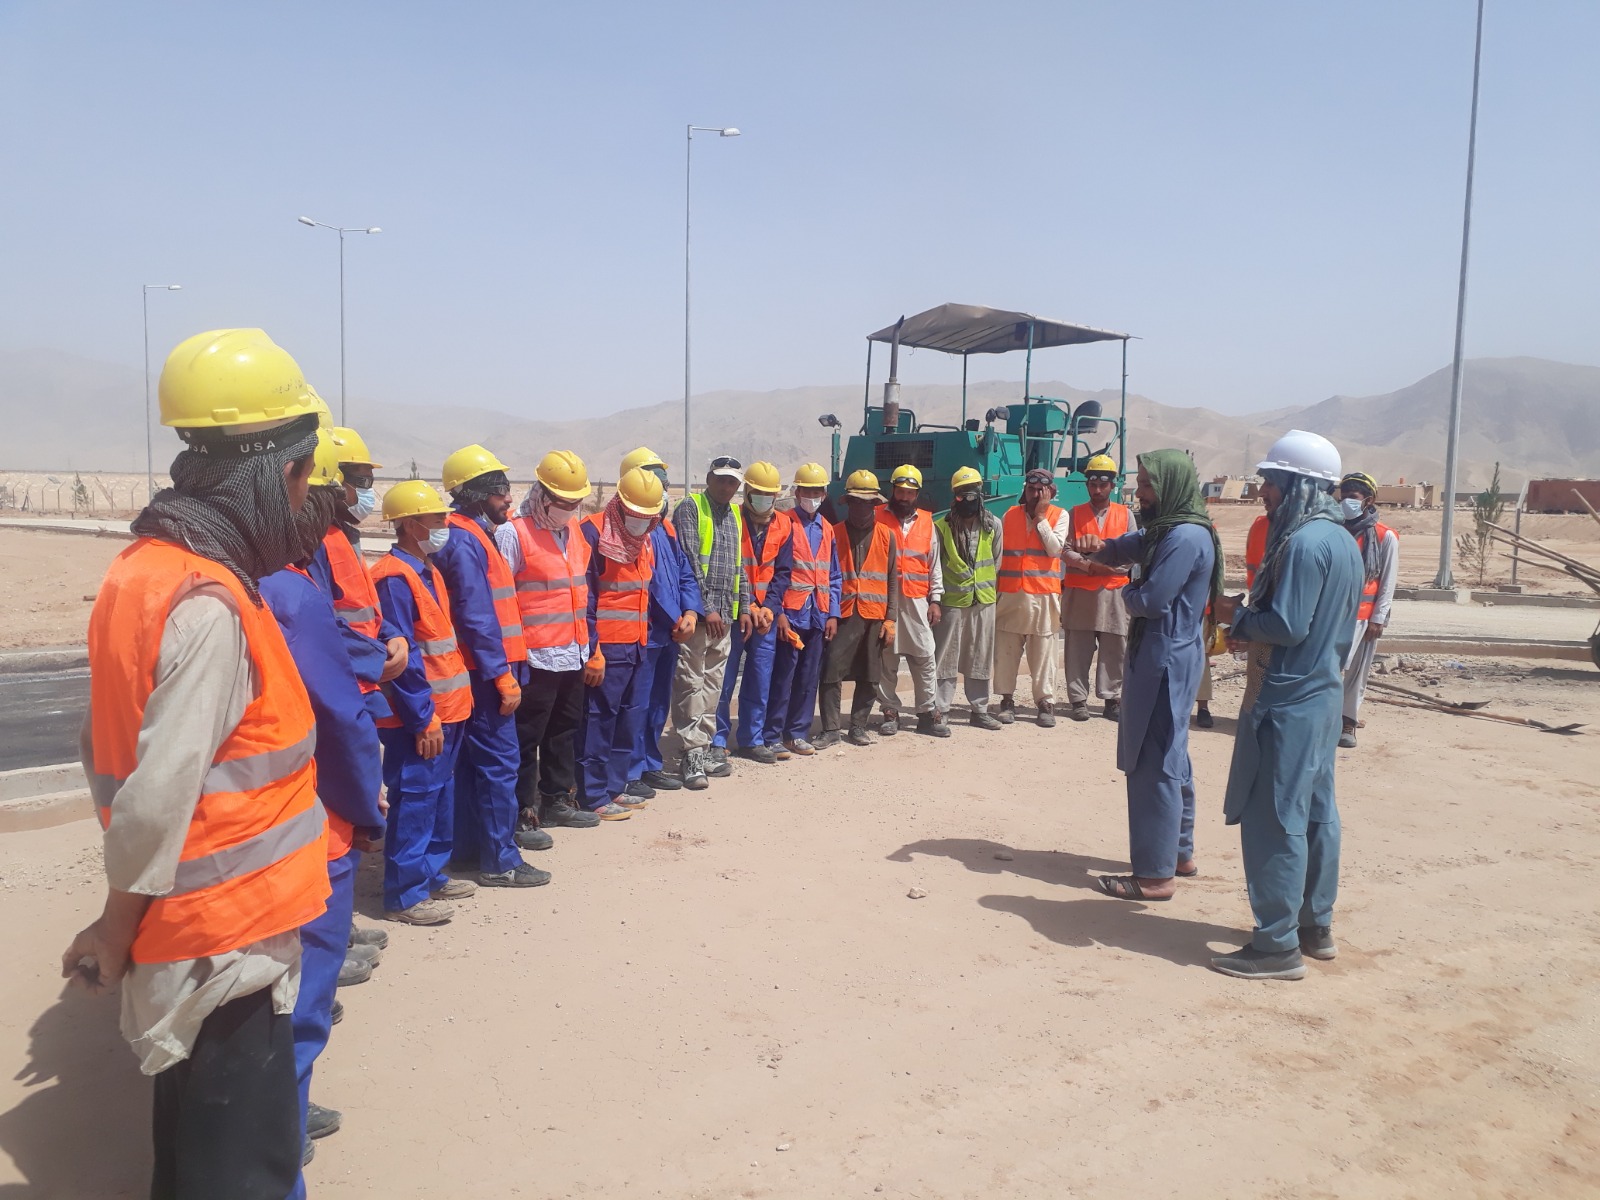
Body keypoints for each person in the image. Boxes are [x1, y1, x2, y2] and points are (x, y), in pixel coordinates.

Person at [65, 328, 330, 1198]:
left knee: (191, 1159)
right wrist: (114, 925)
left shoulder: (142, 571)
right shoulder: (210, 608)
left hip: (197, 933)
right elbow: (155, 797)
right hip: (225, 943)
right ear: (265, 474)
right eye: (300, 477)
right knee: (236, 1174)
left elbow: (106, 744)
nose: (304, 498)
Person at [257, 444, 386, 1179]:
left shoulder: (187, 573)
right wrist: (365, 807)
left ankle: (277, 1115)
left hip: (244, 834)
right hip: (308, 820)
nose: (350, 501)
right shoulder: (289, 587)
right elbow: (340, 719)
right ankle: (282, 1125)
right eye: (341, 487)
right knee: (298, 991)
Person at [1211, 430, 1362, 980]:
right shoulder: (1342, 539)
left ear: (1298, 484)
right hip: (1322, 697)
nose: (1264, 494)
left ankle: (1276, 945)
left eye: (1271, 483)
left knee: (1275, 818)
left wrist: (1236, 616)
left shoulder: (1302, 545)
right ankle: (1313, 926)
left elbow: (1287, 625)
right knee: (1318, 812)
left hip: (1289, 701)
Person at [1077, 451, 1220, 904]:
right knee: (1172, 754)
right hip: (1169, 654)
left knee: (1153, 759)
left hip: (1163, 658)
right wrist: (1104, 549)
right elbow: (1136, 542)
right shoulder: (1172, 530)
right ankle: (1178, 853)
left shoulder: (1183, 538)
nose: (1139, 493)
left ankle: (1156, 876)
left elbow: (1153, 599)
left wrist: (1125, 586)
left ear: (1170, 486)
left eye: (1146, 485)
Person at [435, 445, 552, 885]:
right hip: (486, 675)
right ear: (478, 494)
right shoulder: (465, 542)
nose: (508, 498)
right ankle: (501, 861)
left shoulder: (469, 535)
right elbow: (477, 616)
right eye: (501, 490)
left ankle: (469, 851)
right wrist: (501, 675)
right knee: (498, 764)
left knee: (472, 766)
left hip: (483, 670)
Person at [371, 480, 476, 925]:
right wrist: (423, 718)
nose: (444, 525)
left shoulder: (426, 570)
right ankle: (404, 892)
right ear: (412, 524)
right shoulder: (394, 578)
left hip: (448, 710)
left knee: (439, 794)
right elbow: (405, 659)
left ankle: (431, 874)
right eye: (437, 519)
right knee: (415, 797)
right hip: (421, 715)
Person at [495, 452, 602, 833]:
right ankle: (522, 812)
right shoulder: (513, 533)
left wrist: (593, 648)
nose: (569, 510)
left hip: (572, 652)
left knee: (564, 730)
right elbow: (501, 601)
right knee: (527, 737)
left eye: (575, 503)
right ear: (542, 494)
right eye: (562, 502)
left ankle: (558, 799)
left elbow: (582, 593)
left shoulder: (573, 532)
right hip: (534, 658)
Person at [577, 468, 666, 819]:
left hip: (637, 646)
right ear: (619, 504)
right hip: (606, 650)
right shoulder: (594, 533)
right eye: (636, 514)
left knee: (628, 721)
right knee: (597, 722)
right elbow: (585, 600)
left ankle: (615, 787)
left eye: (649, 516)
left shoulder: (644, 540)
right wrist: (593, 651)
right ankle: (593, 794)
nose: (641, 522)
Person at [616, 447, 702, 801]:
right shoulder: (624, 532)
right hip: (641, 634)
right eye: (656, 482)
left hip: (669, 634)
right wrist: (675, 618)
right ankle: (630, 770)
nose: (663, 491)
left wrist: (691, 612)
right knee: (633, 706)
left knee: (656, 705)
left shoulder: (664, 529)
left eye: (665, 484)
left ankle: (650, 763)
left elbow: (684, 574)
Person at [671, 455, 753, 788]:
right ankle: (690, 753)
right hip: (700, 617)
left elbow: (739, 566)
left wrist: (744, 605)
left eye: (732, 481)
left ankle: (703, 747)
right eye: (720, 479)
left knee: (713, 686)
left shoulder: (735, 514)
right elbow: (689, 561)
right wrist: (707, 608)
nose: (726, 486)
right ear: (708, 478)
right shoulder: (690, 508)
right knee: (690, 683)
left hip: (726, 617)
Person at [816, 470, 899, 748]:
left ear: (876, 504)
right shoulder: (833, 533)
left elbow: (891, 580)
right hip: (842, 614)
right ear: (847, 503)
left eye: (868, 503)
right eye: (857, 502)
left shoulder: (888, 536)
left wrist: (891, 619)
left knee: (870, 674)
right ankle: (830, 729)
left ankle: (858, 727)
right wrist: (828, 613)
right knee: (831, 672)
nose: (862, 507)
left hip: (874, 616)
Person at [714, 461, 791, 762]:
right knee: (725, 677)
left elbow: (783, 572)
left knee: (760, 678)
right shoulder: (731, 519)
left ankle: (751, 738)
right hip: (736, 612)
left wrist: (769, 607)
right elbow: (729, 567)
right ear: (747, 491)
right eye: (758, 492)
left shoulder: (784, 525)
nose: (764, 498)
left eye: (769, 493)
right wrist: (750, 606)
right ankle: (718, 740)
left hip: (765, 619)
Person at [768, 463, 841, 755]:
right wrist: (780, 614)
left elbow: (833, 575)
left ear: (824, 494)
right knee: (783, 676)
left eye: (818, 490)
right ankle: (772, 733)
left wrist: (833, 613)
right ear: (797, 492)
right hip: (791, 612)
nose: (813, 495)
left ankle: (796, 733)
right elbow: (775, 571)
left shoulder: (827, 528)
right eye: (808, 490)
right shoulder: (784, 523)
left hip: (818, 613)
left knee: (809, 677)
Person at [994, 468, 1072, 726]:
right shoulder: (1010, 516)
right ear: (1025, 490)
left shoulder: (1060, 516)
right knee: (1006, 652)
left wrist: (1040, 518)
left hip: (1042, 596)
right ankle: (1006, 700)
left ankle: (1045, 703)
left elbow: (1054, 550)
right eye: (1031, 489)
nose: (1035, 494)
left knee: (1043, 654)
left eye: (1041, 490)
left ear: (1050, 492)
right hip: (1011, 594)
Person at [875, 465, 948, 737]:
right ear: (892, 490)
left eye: (910, 492)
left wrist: (936, 600)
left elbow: (934, 566)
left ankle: (927, 713)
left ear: (917, 494)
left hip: (918, 600)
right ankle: (890, 711)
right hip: (885, 601)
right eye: (900, 491)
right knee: (886, 657)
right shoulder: (877, 517)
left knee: (925, 656)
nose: (904, 497)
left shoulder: (928, 523)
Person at [1059, 454, 1131, 722]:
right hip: (1080, 593)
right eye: (1092, 483)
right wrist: (1089, 567)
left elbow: (1134, 553)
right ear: (1087, 485)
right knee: (1077, 648)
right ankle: (1078, 700)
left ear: (1112, 484)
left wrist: (1108, 568)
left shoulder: (1126, 516)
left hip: (1115, 593)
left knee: (1115, 648)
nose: (1097, 489)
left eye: (1103, 484)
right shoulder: (1074, 514)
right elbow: (1064, 550)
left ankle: (1112, 699)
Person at [932, 466, 1003, 730]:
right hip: (952, 603)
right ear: (954, 496)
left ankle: (980, 709)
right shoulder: (942, 528)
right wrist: (937, 600)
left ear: (980, 494)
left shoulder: (993, 525)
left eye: (972, 493)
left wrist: (979, 587)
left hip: (983, 601)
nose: (968, 499)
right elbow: (935, 567)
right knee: (945, 658)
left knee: (980, 656)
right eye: (962, 494)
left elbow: (996, 562)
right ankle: (941, 708)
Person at [1337, 470, 1398, 749]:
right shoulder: (1334, 529)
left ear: (1368, 500)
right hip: (1332, 616)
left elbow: (1387, 582)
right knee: (1329, 671)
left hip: (1364, 620)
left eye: (1352, 497)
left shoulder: (1384, 537)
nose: (1345, 501)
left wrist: (1379, 618)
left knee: (1356, 674)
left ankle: (1348, 722)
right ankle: (1325, 719)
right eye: (1343, 496)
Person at [1195, 506, 1268, 729]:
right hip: (1171, 610)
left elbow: (1217, 574)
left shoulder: (1208, 533)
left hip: (1201, 608)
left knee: (1200, 659)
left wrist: (1217, 608)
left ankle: (1203, 707)